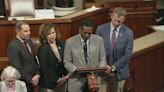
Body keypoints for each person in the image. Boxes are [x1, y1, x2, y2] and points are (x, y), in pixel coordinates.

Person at [96, 7, 134, 92]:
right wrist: (104, 65)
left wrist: (113, 67)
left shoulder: (129, 33)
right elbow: (96, 50)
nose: (116, 23)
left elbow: (128, 54)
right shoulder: (101, 29)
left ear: (124, 19)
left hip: (119, 71)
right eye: (115, 20)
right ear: (111, 16)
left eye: (119, 21)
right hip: (102, 70)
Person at [64, 20, 107, 92]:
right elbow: (66, 61)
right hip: (77, 81)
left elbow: (102, 59)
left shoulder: (99, 40)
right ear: (79, 30)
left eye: (89, 33)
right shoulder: (70, 42)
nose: (87, 35)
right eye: (85, 33)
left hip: (94, 80)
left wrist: (99, 68)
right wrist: (75, 70)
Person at [7, 21, 40, 92]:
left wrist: (37, 74)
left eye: (29, 30)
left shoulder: (29, 42)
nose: (29, 33)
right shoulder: (13, 46)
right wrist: (31, 80)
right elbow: (18, 67)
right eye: (25, 31)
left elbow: (35, 60)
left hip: (34, 79)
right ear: (17, 31)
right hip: (23, 83)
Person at [38, 23, 68, 92]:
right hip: (49, 83)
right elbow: (44, 67)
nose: (52, 35)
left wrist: (65, 77)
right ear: (44, 35)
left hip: (63, 80)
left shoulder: (62, 44)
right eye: (48, 34)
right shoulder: (43, 48)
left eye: (53, 32)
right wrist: (57, 79)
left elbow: (66, 60)